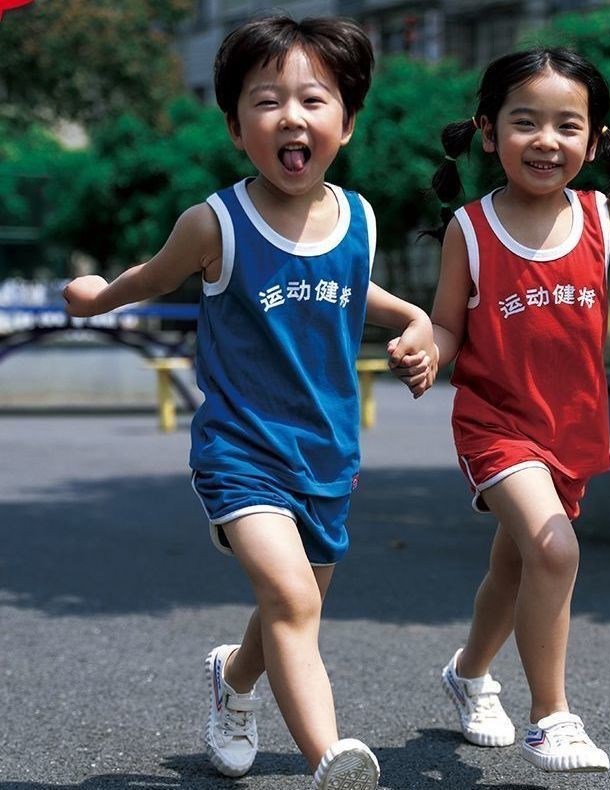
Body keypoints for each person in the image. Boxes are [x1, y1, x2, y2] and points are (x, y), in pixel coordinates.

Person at [63, 16, 434, 790]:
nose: (291, 117)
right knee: (294, 598)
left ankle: (233, 683)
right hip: (241, 452)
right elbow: (153, 277)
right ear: (236, 128)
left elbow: (350, 290)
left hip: (327, 455)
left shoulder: (360, 219)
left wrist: (416, 321)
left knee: (287, 608)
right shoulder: (216, 223)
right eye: (267, 101)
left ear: (347, 122)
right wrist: (98, 299)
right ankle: (330, 757)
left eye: (313, 99)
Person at [391, 47, 610, 774]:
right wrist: (426, 347)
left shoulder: (607, 219)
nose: (546, 140)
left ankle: (467, 673)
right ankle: (551, 717)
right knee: (554, 549)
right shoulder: (470, 229)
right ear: (488, 132)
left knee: (515, 569)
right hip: (495, 423)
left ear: (594, 140)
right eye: (525, 122)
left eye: (567, 125)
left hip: (570, 429)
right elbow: (449, 326)